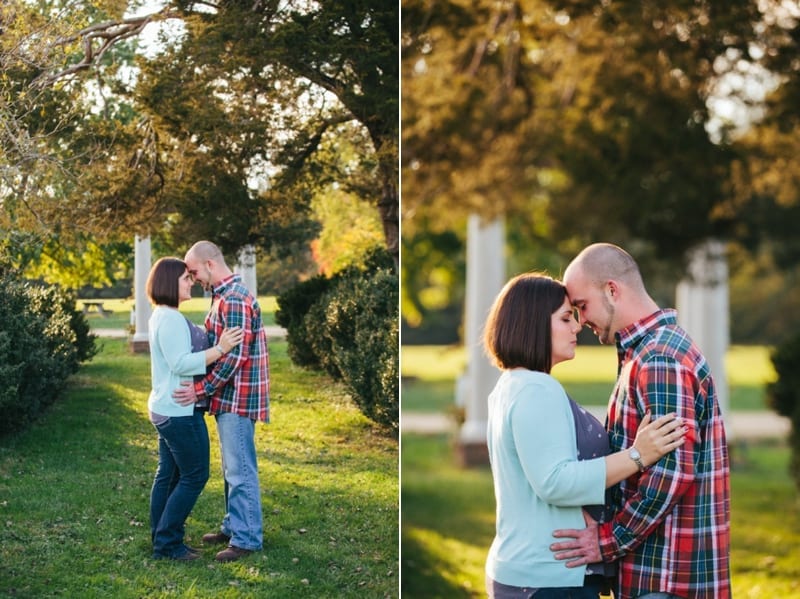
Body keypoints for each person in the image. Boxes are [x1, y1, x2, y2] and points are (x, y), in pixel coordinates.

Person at [483, 272, 687, 598]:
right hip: (548, 577)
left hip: (532, 572)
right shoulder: (537, 388)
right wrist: (638, 455)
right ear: (533, 323)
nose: (577, 326)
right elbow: (555, 481)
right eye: (566, 318)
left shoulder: (511, 385)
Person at [550, 243, 731, 599]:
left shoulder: (660, 358)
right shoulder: (646, 353)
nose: (581, 321)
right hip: (656, 574)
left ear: (612, 290)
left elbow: (670, 474)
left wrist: (606, 542)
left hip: (666, 579)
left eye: (582, 307)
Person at [173, 241, 270, 563]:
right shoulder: (222, 297)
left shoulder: (235, 299)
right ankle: (233, 526)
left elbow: (234, 359)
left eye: (195, 271)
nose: (194, 278)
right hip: (227, 397)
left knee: (240, 469)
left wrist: (200, 390)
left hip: (238, 398)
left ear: (210, 265)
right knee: (232, 467)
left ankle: (247, 539)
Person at [146, 257, 243, 561]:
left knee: (169, 476)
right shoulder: (170, 318)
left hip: (165, 407)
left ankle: (162, 537)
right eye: (185, 278)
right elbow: (180, 363)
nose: (191, 283)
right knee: (194, 475)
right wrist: (221, 348)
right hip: (179, 411)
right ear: (169, 282)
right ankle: (168, 544)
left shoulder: (161, 314)